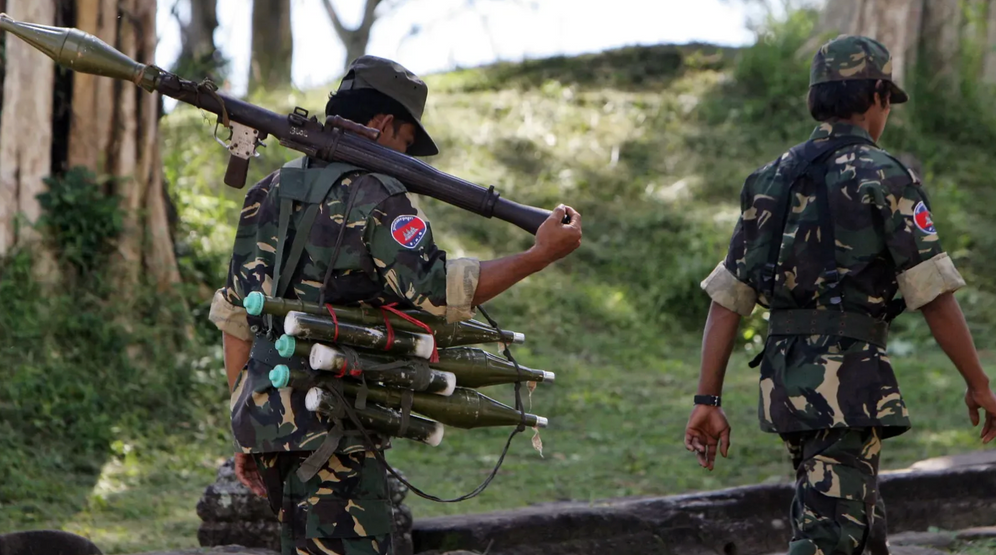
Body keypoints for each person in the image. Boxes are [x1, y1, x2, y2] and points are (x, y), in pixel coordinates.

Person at [208, 55, 583, 555]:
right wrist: (538, 256)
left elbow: (237, 318)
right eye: (407, 143)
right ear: (383, 124)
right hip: (335, 429)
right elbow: (436, 291)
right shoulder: (376, 195)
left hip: (269, 429)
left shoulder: (268, 190)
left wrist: (248, 430)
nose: (408, 159)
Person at [683, 35, 996, 555]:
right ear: (876, 95)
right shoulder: (885, 175)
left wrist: (706, 399)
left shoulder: (770, 179)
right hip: (848, 384)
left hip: (786, 386)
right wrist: (979, 383)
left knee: (861, 529)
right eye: (887, 101)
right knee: (829, 538)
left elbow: (727, 298)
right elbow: (933, 293)